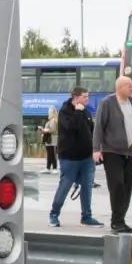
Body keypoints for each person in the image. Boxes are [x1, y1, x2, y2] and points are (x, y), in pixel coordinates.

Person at [94, 75, 132, 234]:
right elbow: (98, 127)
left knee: (127, 187)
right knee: (117, 185)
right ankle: (116, 221)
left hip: (128, 153)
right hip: (112, 152)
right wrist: (96, 149)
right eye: (129, 86)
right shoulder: (107, 103)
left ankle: (121, 219)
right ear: (119, 88)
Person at [48, 86, 101, 228]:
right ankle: (54, 214)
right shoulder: (65, 111)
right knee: (65, 186)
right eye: (85, 97)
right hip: (69, 157)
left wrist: (97, 149)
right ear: (76, 98)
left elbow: (92, 131)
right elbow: (72, 128)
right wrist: (77, 111)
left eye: (87, 96)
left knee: (87, 187)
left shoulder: (87, 112)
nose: (87, 99)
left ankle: (86, 217)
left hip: (87, 158)